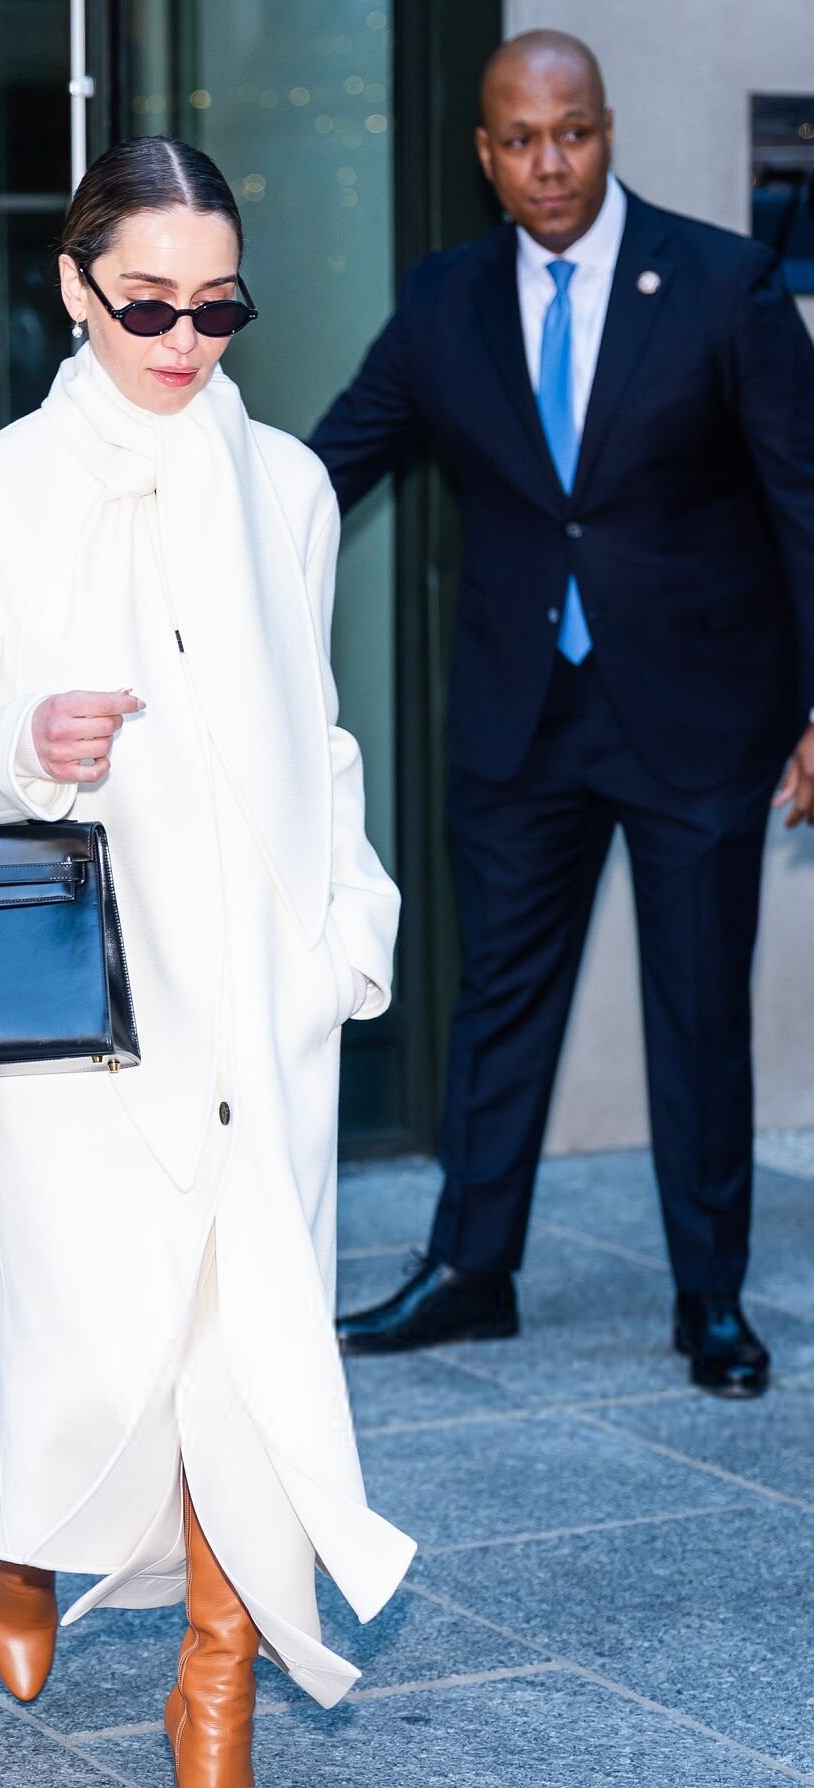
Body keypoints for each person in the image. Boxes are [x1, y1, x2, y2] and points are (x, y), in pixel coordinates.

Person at [0, 136, 413, 1788]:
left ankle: (215, 1697)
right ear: (72, 288)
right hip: (76, 1000)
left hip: (255, 1000)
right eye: (147, 305)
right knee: (83, 1335)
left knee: (243, 1357)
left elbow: (319, 730)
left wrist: (347, 929)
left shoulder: (291, 490)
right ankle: (20, 1532)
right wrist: (23, 740)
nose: (184, 339)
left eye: (217, 307)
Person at [311, 31, 814, 1402]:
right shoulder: (444, 299)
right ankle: (471, 1272)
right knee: (498, 1000)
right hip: (520, 716)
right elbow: (329, 467)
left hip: (699, 715)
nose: (551, 163)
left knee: (698, 1012)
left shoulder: (722, 283)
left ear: (606, 130)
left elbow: (804, 502)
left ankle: (711, 1298)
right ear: (484, 154)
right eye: (522, 140)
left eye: (573, 133)